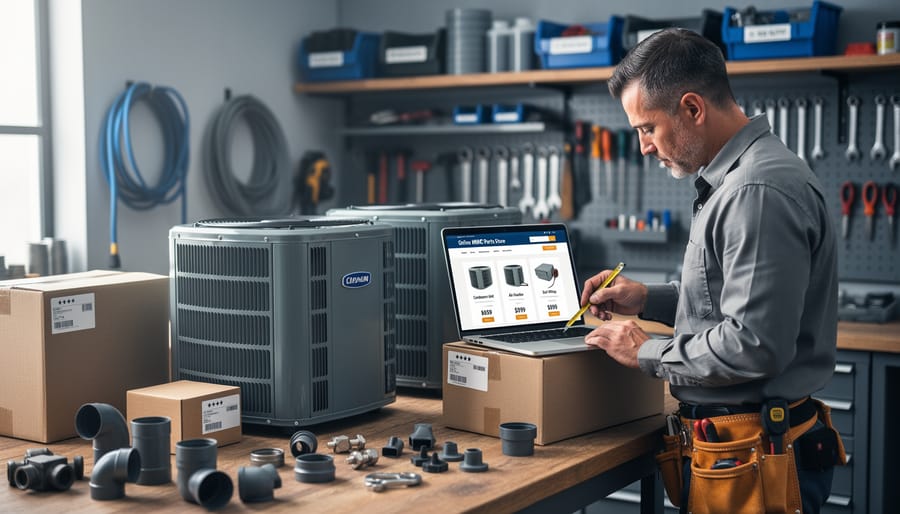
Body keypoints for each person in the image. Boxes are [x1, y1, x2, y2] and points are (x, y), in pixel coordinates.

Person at [581, 28, 843, 514]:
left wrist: (647, 350)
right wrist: (647, 299)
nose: (644, 147)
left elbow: (754, 344)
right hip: (735, 451)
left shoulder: (754, 191)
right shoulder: (741, 179)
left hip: (754, 458)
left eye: (647, 128)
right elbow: (725, 297)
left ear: (692, 109)